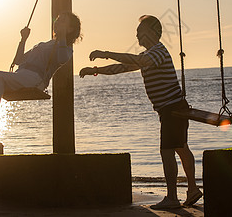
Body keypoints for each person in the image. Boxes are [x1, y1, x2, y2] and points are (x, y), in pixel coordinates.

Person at [79, 15, 202, 209]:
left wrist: (106, 52)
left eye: (139, 32)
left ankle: (172, 198)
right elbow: (120, 68)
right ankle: (193, 189)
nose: (136, 36)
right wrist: (95, 70)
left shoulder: (158, 51)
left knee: (167, 151)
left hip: (173, 109)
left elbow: (140, 60)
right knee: (181, 148)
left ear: (152, 32)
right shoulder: (149, 56)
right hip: (171, 109)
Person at [0, 12, 82, 135]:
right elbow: (19, 60)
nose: (57, 22)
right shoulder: (46, 44)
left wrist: (62, 37)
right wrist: (23, 40)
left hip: (35, 78)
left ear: (70, 29)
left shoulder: (66, 48)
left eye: (62, 20)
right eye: (57, 19)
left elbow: (62, 59)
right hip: (21, 74)